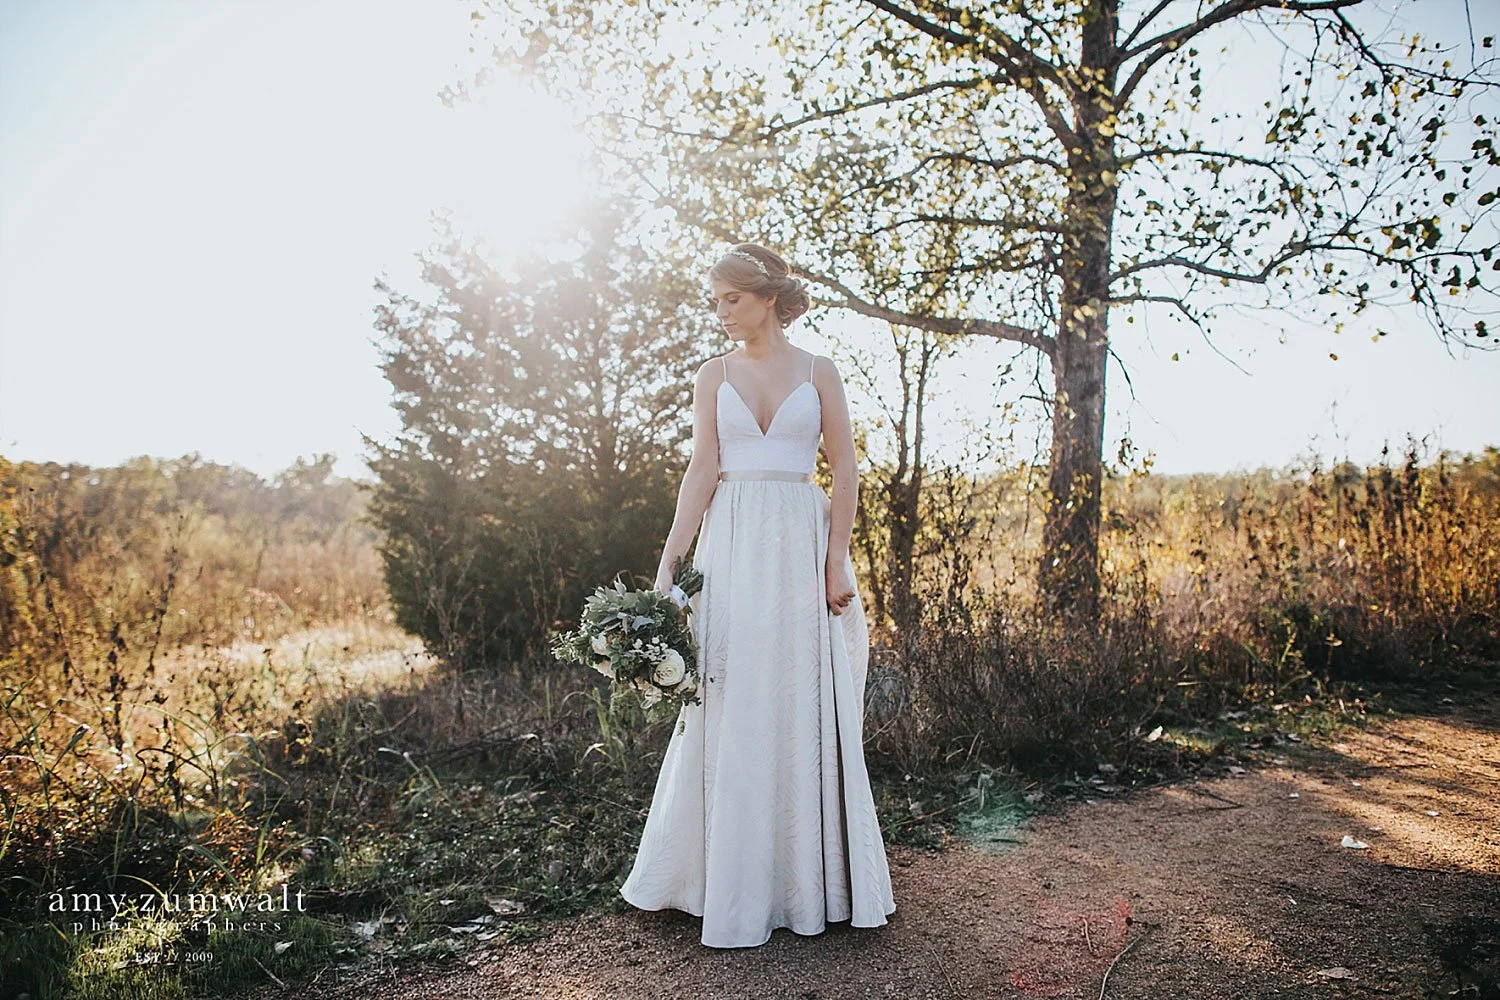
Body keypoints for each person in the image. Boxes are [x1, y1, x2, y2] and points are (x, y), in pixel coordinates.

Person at [618, 242, 897, 948]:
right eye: (715, 301)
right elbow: (701, 470)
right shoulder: (713, 375)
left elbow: (845, 469)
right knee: (732, 695)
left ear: (767, 296)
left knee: (799, 698)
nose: (720, 313)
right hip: (734, 544)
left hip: (801, 542)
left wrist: (836, 562)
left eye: (730, 299)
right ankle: (723, 882)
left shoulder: (819, 371)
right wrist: (671, 561)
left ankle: (813, 882)